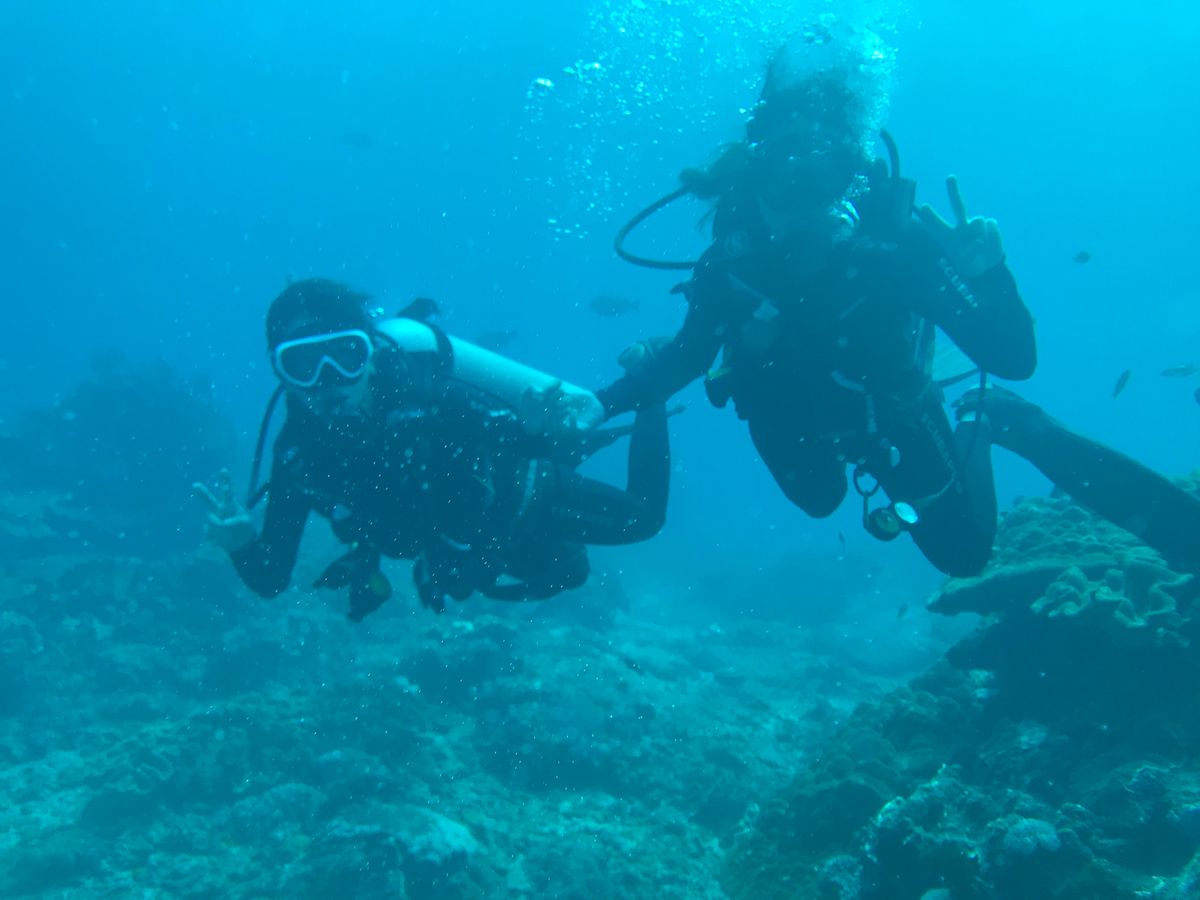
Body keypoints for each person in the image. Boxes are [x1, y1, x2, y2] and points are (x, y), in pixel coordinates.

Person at [598, 36, 1036, 578]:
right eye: (785, 176)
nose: (802, 201)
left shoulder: (894, 250)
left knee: (963, 556)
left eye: (823, 175)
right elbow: (690, 355)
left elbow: (1014, 360)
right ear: (753, 176)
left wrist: (989, 277)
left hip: (890, 406)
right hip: (786, 407)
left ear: (852, 177)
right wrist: (598, 404)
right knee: (819, 499)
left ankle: (978, 419)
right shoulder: (731, 266)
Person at [196, 278, 669, 619]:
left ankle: (651, 384)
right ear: (281, 375)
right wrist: (242, 546)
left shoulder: (420, 394)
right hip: (458, 537)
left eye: (345, 356)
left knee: (641, 522)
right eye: (302, 365)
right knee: (562, 574)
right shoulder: (298, 456)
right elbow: (271, 578)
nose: (328, 381)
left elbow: (517, 438)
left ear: (370, 354)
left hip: (518, 491)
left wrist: (536, 431)